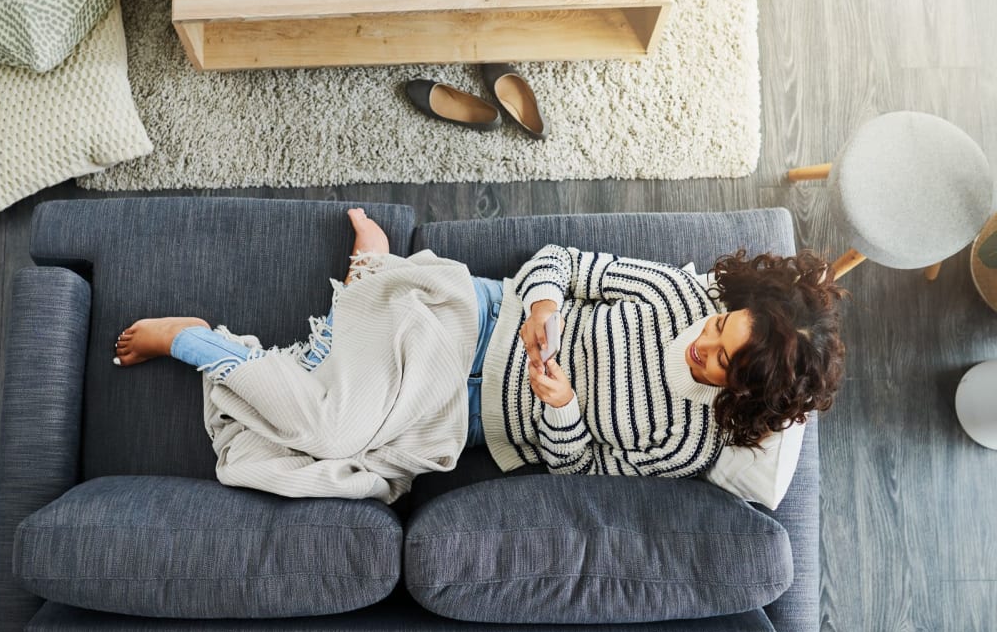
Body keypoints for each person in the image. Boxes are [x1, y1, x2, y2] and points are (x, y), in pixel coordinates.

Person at [114, 208, 846, 479]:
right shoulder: (680, 297)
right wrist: (545, 304)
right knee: (333, 424)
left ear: (742, 393)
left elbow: (578, 464)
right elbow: (561, 260)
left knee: (332, 449)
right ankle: (198, 344)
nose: (702, 345)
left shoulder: (690, 444)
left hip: (467, 421)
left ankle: (368, 273)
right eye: (719, 328)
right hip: (480, 319)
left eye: (719, 361)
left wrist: (560, 408)